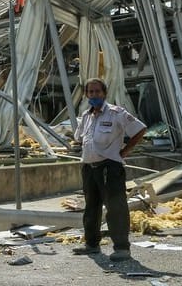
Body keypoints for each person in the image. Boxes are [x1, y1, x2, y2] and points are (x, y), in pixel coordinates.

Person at [72, 78, 147, 262]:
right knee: (91, 207)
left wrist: (124, 151)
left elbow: (140, 129)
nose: (94, 95)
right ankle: (91, 244)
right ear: (86, 95)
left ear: (104, 93)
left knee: (115, 207)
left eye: (97, 92)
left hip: (109, 167)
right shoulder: (86, 116)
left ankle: (122, 248)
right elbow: (78, 138)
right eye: (90, 92)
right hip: (89, 167)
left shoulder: (116, 113)